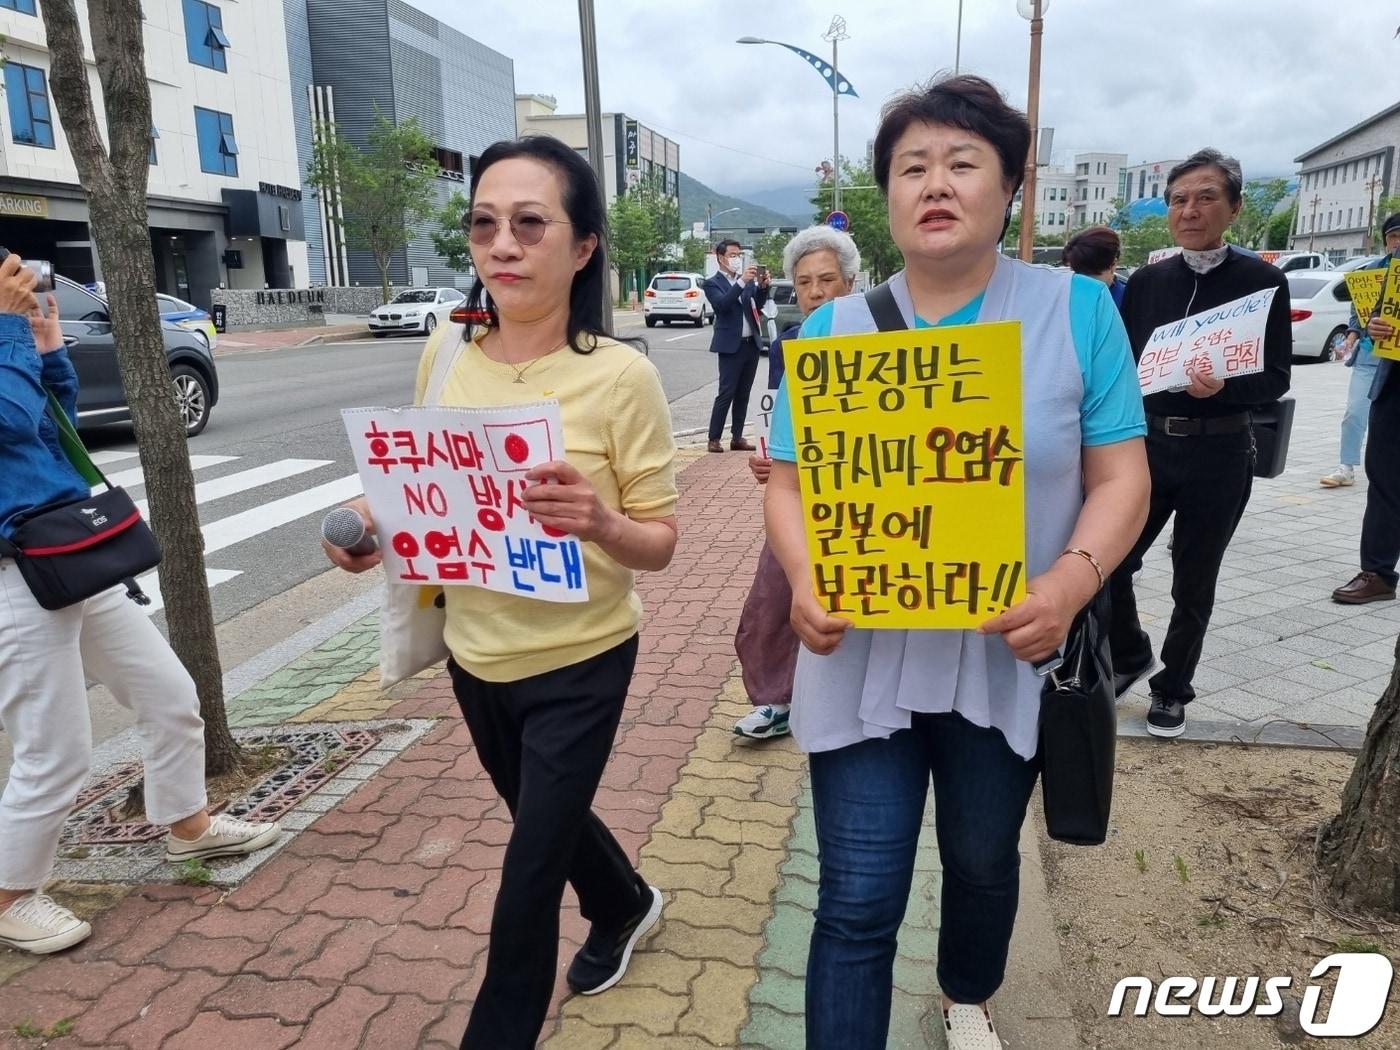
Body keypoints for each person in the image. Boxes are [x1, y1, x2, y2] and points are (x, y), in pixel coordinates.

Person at [762, 75, 1150, 1049]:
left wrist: (1068, 584)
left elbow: (1121, 479)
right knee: (853, 899)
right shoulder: (831, 330)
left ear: (1010, 184)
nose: (934, 182)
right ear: (887, 194)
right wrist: (805, 579)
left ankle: (965, 991)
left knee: (981, 862)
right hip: (860, 659)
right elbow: (785, 483)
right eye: (911, 166)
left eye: (961, 162)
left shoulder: (1076, 313)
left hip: (1003, 656)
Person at [322, 135, 679, 1050]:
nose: (504, 246)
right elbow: (411, 487)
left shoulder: (621, 376)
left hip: (582, 659)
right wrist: (364, 525)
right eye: (485, 225)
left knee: (526, 881)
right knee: (539, 822)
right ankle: (626, 900)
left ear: (584, 245)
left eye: (530, 223)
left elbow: (661, 544)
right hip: (475, 652)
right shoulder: (447, 350)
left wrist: (598, 522)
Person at [0, 253, 279, 956]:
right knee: (56, 749)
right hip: (12, 573)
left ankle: (187, 823)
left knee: (169, 694)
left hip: (66, 552)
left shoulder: (7, 336)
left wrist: (46, 341)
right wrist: (9, 330)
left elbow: (52, 422)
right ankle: (9, 895)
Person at [1107, 148, 1292, 738]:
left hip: (1222, 449)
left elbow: (1277, 377)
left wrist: (1224, 387)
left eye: (1206, 196)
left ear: (1233, 208)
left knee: (1196, 576)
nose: (1191, 210)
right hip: (1152, 446)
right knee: (1112, 561)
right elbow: (1124, 365)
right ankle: (1132, 652)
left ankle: (1172, 688)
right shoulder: (1148, 283)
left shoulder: (1263, 282)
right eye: (1179, 199)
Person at [733, 226, 859, 740]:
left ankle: (847, 699)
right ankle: (776, 700)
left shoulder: (882, 339)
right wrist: (771, 465)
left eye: (827, 279)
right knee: (770, 605)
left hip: (864, 500)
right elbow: (776, 427)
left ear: (850, 282)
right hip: (800, 501)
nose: (816, 291)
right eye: (804, 282)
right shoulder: (790, 344)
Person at [1330, 214, 1400, 604]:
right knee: (1385, 477)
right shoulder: (1390, 267)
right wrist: (1375, 326)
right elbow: (1376, 312)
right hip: (1394, 382)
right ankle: (1378, 572)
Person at [1319, 215, 1399, 494]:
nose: (1398, 242)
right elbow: (1361, 314)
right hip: (1370, 356)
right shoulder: (1372, 271)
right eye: (1393, 237)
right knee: (1354, 411)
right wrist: (1354, 334)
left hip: (1397, 362)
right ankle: (1346, 467)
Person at [703, 240, 770, 454]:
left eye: (739, 254)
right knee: (726, 392)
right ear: (720, 257)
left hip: (751, 344)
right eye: (732, 254)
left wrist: (762, 287)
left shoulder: (747, 282)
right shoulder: (712, 283)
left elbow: (756, 305)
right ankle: (714, 438)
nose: (737, 258)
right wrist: (740, 282)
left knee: (743, 393)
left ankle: (737, 437)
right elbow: (722, 305)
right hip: (730, 346)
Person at [1063, 225, 1127, 309]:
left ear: (1113, 264)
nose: (1084, 281)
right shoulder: (1065, 298)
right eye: (1077, 273)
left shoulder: (1129, 301)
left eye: (1091, 275)